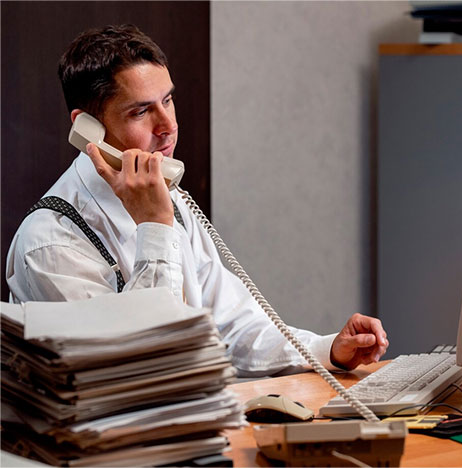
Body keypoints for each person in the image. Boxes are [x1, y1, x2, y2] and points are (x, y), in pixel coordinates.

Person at [6, 24, 388, 376]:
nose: (167, 125)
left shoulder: (170, 198)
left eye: (167, 101)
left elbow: (233, 326)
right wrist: (154, 227)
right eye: (141, 111)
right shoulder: (51, 243)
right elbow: (144, 370)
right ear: (87, 128)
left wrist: (327, 350)